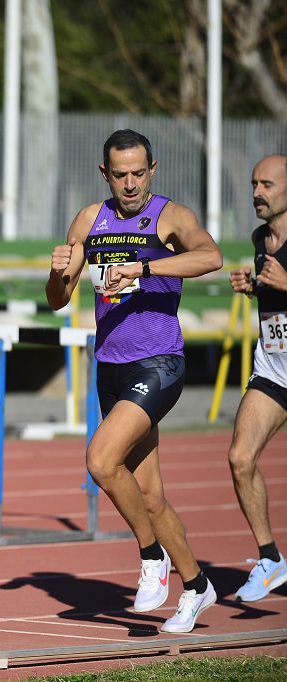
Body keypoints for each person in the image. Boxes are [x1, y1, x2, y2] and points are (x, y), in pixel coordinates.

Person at [46, 129, 223, 633]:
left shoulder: (170, 216)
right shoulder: (89, 219)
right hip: (112, 366)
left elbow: (211, 257)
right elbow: (59, 297)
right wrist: (59, 271)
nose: (129, 184)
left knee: (101, 460)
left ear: (153, 169)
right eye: (119, 174)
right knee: (150, 496)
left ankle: (151, 557)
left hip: (159, 362)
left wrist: (143, 268)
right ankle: (197, 586)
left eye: (138, 173)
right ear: (105, 173)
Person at [227, 154, 287, 602]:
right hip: (274, 365)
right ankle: (270, 560)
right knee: (240, 459)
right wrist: (256, 289)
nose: (256, 193)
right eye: (253, 184)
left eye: (266, 184)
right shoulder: (258, 238)